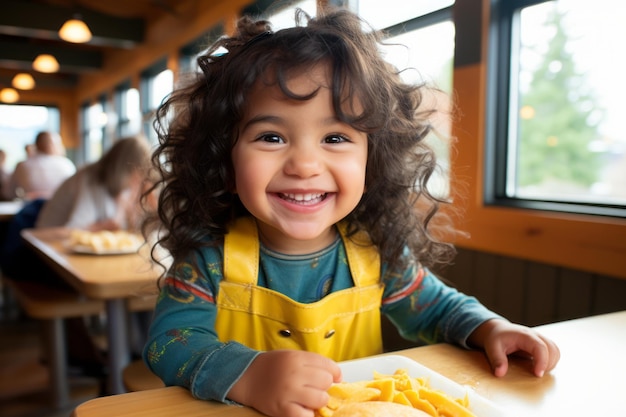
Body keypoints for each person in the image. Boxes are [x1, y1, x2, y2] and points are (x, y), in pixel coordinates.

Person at [142, 8, 560, 417]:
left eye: (335, 137)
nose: (304, 165)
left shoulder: (376, 253)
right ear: (224, 164)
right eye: (271, 136)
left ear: (371, 161)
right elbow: (169, 343)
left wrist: (490, 328)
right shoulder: (208, 260)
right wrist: (247, 375)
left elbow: (439, 309)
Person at [36, 135, 154, 231]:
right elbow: (74, 229)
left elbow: (126, 225)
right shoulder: (90, 178)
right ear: (124, 169)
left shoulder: (119, 187)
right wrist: (107, 224)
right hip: (45, 246)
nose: (137, 181)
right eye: (136, 175)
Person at [7, 131, 76, 200]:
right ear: (54, 145)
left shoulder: (22, 165)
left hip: (31, 208)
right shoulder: (66, 165)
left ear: (36, 145)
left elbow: (9, 192)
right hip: (60, 206)